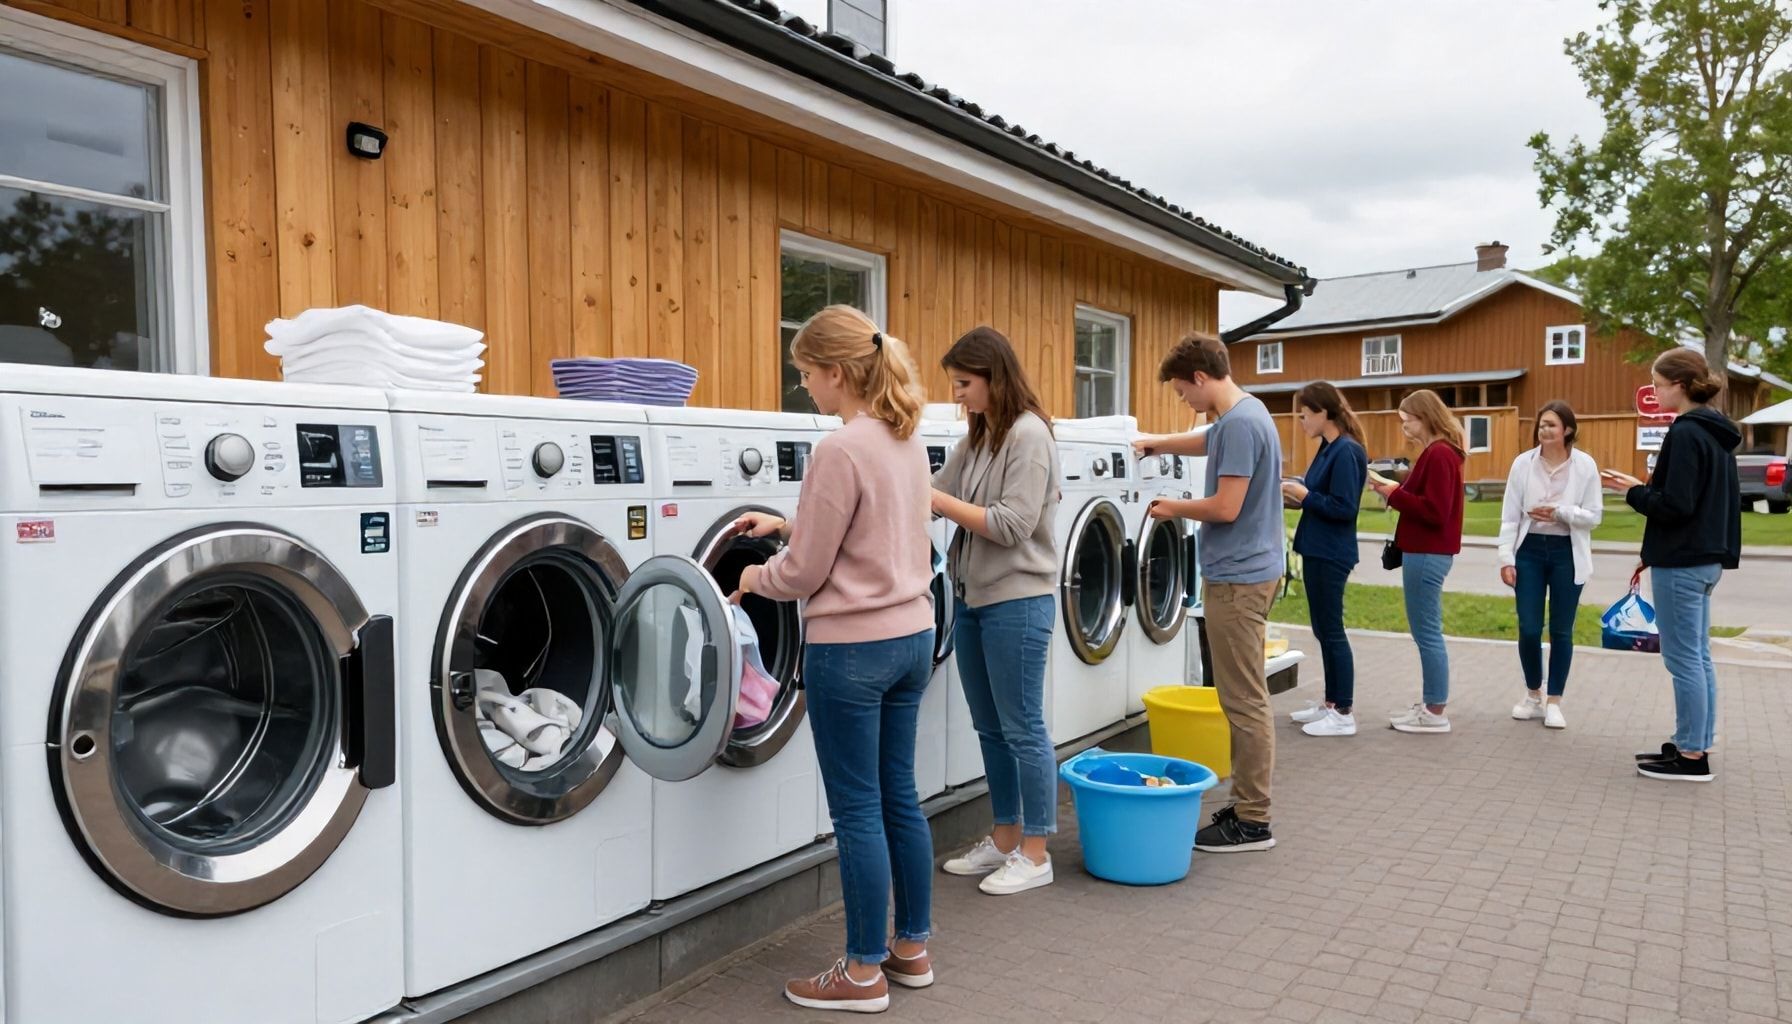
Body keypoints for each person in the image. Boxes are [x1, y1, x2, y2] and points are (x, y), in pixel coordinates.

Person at [732, 304, 936, 1011]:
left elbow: (805, 571)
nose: (806, 390)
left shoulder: (839, 447)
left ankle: (860, 974)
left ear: (837, 373)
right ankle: (910, 949)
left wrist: (752, 579)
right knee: (897, 797)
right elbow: (875, 527)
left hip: (853, 652)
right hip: (911, 638)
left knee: (856, 812)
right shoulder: (905, 439)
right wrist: (788, 525)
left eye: (807, 376)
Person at [1135, 332, 1283, 853]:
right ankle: (1248, 808)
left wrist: (1172, 507)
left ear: (1201, 378)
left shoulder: (1238, 424)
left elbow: (1225, 507)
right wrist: (1156, 442)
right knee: (1243, 697)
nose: (1186, 403)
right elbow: (1206, 442)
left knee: (1243, 701)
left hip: (1240, 579)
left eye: (1183, 393)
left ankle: (1253, 821)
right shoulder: (1245, 414)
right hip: (1249, 570)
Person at [930, 326, 1062, 895]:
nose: (957, 394)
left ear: (994, 377)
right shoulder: (981, 436)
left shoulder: (1030, 436)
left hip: (1018, 602)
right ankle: (1005, 838)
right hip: (975, 599)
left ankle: (1036, 851)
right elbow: (935, 485)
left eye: (964, 383)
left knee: (1023, 727)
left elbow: (1012, 524)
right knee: (990, 727)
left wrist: (935, 502)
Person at [1601, 348, 1741, 783]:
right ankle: (1694, 738)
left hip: (1683, 562)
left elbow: (1676, 505)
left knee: (1682, 659)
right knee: (1697, 657)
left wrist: (1633, 493)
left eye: (1658, 384)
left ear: (1679, 385)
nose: (1653, 391)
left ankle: (1692, 756)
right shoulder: (1717, 435)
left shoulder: (1685, 432)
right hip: (1704, 557)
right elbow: (1702, 504)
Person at [1497, 401, 1603, 730]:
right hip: (1528, 550)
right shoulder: (1523, 464)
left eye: (1552, 425)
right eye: (1542, 424)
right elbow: (1510, 513)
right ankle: (1532, 694)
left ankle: (1554, 700)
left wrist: (1560, 512)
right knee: (1529, 627)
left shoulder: (1584, 466)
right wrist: (1505, 556)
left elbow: (1594, 516)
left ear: (1567, 430)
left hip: (1566, 553)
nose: (1545, 430)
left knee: (1561, 629)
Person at [1368, 389, 1464, 734]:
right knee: (1426, 631)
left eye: (1407, 419)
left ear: (1425, 417)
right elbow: (1428, 500)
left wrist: (1395, 494)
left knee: (1427, 633)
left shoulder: (1439, 454)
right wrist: (1396, 490)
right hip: (1427, 551)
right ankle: (1430, 703)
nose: (1404, 426)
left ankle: (1435, 710)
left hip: (1427, 552)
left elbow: (1435, 511)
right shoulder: (1440, 453)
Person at [1280, 382, 1368, 738]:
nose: (1301, 422)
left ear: (1322, 412)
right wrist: (1296, 494)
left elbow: (1345, 508)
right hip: (1317, 548)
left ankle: (1344, 711)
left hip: (1332, 552)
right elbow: (1319, 494)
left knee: (1332, 631)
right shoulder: (1328, 447)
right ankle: (1330, 703)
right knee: (1322, 629)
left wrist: (1306, 495)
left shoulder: (1347, 450)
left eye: (1304, 414)